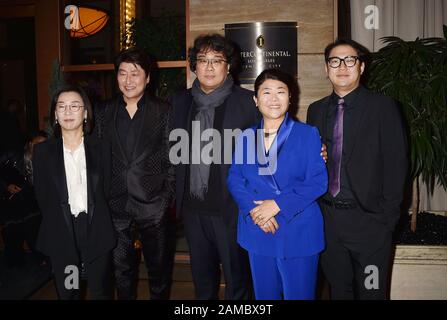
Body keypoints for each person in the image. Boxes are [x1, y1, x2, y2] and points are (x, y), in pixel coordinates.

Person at [307, 39, 408, 300]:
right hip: (328, 220)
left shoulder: (384, 107)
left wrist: (386, 221)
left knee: (372, 292)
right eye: (334, 61)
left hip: (370, 222)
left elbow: (397, 166)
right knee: (339, 291)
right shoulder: (315, 111)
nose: (342, 66)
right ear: (326, 68)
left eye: (349, 60)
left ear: (361, 67)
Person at [169, 34, 259, 300]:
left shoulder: (248, 102)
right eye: (202, 60)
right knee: (202, 283)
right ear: (194, 66)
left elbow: (272, 144)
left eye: (216, 60)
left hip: (231, 210)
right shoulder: (180, 102)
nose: (208, 67)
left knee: (237, 281)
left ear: (228, 66)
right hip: (193, 211)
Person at [227, 69, 328, 300]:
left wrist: (277, 205)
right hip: (259, 227)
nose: (274, 99)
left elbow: (317, 182)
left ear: (290, 97)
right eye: (266, 92)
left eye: (281, 92)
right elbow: (234, 177)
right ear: (255, 99)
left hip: (298, 228)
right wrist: (254, 211)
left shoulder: (307, 134)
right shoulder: (246, 136)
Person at [94, 48, 175, 300]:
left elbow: (174, 159)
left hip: (153, 206)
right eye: (122, 73)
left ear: (148, 78)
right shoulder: (102, 112)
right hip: (115, 206)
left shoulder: (164, 111)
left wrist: (165, 200)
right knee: (121, 274)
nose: (128, 80)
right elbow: (96, 159)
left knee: (159, 273)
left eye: (135, 73)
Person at [32, 85, 116, 299]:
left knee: (100, 291)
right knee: (70, 291)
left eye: (74, 106)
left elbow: (106, 190)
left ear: (86, 113)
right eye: (62, 107)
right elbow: (42, 196)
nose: (68, 112)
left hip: (96, 228)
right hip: (62, 230)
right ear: (55, 115)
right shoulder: (43, 152)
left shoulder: (102, 147)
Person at [0, 131, 48, 268]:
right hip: (10, 200)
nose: (41, 147)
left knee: (33, 226)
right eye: (38, 144)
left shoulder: (46, 161)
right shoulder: (13, 154)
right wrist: (6, 186)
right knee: (12, 232)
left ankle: (41, 258)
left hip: (29, 203)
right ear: (30, 144)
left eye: (44, 145)